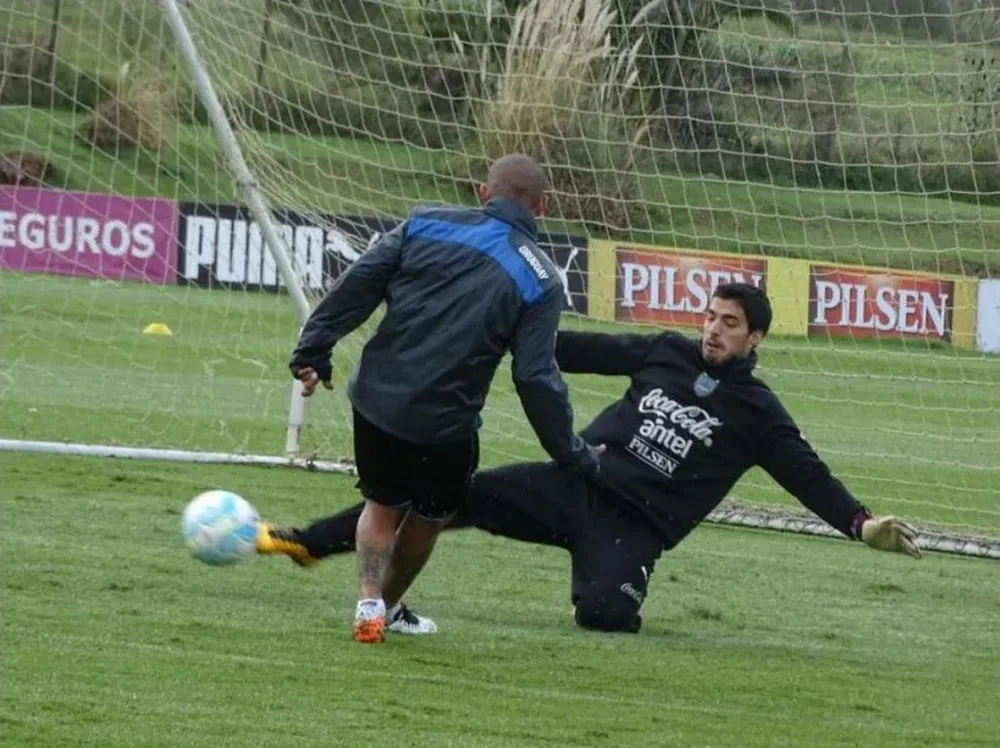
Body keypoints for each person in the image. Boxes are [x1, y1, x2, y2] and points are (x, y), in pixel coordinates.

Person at [260, 282, 921, 635]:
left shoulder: (760, 414)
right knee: (440, 493)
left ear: (756, 339)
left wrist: (861, 524)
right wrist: (502, 330)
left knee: (607, 617)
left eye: (729, 324)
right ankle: (308, 542)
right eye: (711, 317)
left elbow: (807, 475)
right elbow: (571, 350)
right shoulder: (665, 350)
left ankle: (600, 593)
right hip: (575, 483)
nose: (712, 330)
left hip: (633, 529)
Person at [263, 153, 601, 643]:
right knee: (428, 518)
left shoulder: (424, 223)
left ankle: (367, 602)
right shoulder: (544, 279)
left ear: (484, 194)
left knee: (380, 506)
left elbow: (356, 285)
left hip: (376, 404)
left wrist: (313, 349)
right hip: (446, 425)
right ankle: (389, 605)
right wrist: (571, 451)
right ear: (543, 207)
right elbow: (535, 376)